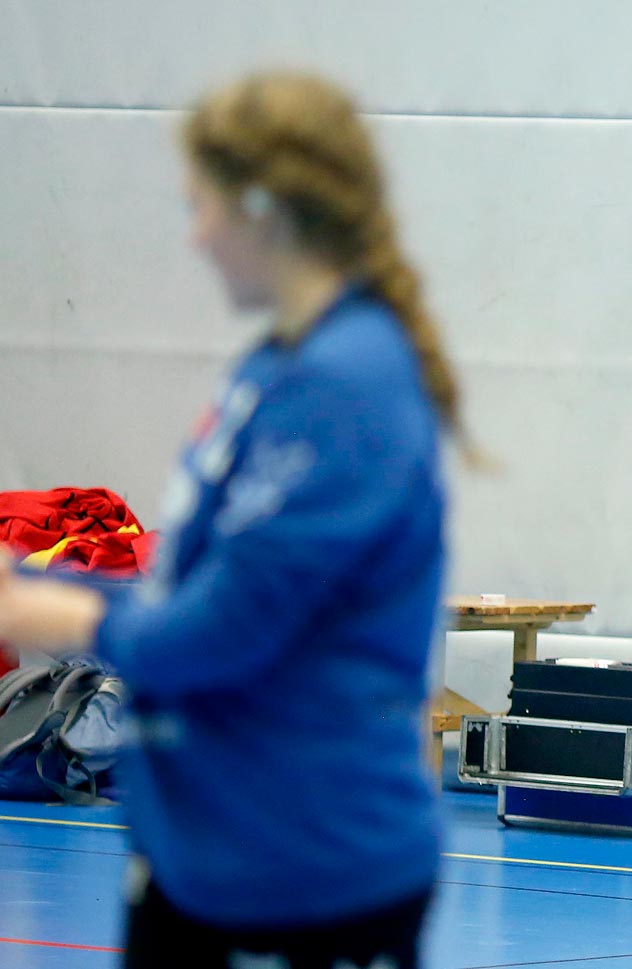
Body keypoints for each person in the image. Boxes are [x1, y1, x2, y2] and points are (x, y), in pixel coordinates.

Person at [0, 72, 465, 967]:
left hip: (302, 871)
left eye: (203, 207)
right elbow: (189, 584)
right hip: (207, 860)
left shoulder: (346, 388)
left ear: (264, 207)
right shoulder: (272, 372)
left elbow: (225, 626)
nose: (197, 237)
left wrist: (53, 610)